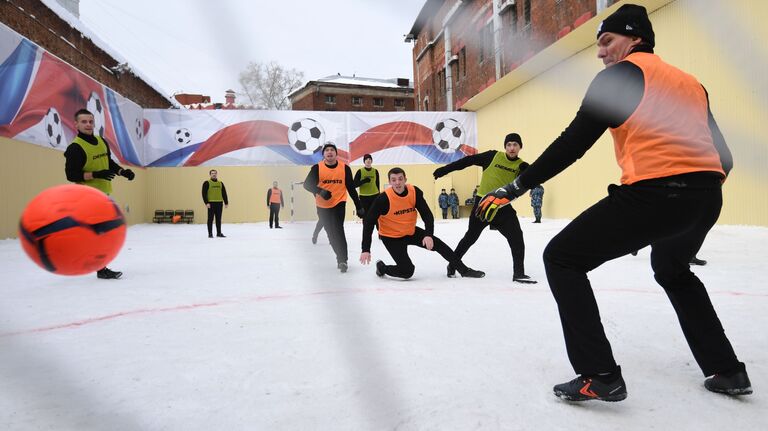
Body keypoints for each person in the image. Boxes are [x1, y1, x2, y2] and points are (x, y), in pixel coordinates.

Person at [476, 4, 750, 401]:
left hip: (654, 194)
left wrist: (515, 187)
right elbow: (724, 157)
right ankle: (728, 370)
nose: (601, 52)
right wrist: (697, 190)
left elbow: (574, 143)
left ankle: (599, 374)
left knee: (562, 258)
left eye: (607, 41)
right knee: (673, 270)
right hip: (707, 197)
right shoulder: (692, 83)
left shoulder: (622, 76)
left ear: (635, 37)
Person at [433, 133, 536, 283]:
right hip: (483, 205)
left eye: (515, 145)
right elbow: (469, 161)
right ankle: (453, 265)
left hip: (502, 207)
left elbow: (532, 178)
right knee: (470, 238)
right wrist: (445, 170)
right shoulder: (493, 156)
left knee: (517, 238)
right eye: (509, 145)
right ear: (505, 146)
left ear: (520, 147)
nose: (512, 148)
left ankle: (519, 273)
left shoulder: (521, 166)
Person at [360, 167, 484, 279]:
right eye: (393, 180)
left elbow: (427, 215)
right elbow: (369, 223)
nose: (397, 182)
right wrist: (366, 249)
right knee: (407, 271)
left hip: (410, 231)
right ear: (390, 182)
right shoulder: (383, 199)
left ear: (405, 179)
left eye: (400, 179)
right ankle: (382, 268)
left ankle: (464, 270)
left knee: (439, 244)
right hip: (391, 237)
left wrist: (428, 234)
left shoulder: (414, 192)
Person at [64, 108, 135, 279]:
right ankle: (100, 267)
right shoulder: (75, 148)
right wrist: (96, 174)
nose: (88, 125)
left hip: (104, 194)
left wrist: (122, 172)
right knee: (102, 232)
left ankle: (95, 262)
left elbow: (108, 162)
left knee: (104, 232)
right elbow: (71, 175)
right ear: (76, 124)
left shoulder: (101, 141)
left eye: (90, 121)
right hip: (87, 197)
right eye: (84, 122)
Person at [303, 142, 363, 272]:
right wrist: (321, 191)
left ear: (336, 153)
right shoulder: (317, 168)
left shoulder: (344, 168)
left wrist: (359, 207)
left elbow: (351, 189)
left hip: (339, 203)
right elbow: (307, 184)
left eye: (332, 150)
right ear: (324, 154)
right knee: (330, 233)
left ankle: (343, 260)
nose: (329, 152)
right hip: (322, 206)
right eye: (327, 150)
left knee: (338, 230)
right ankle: (339, 256)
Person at [202, 169, 228, 238]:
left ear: (217, 174)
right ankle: (210, 233)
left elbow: (224, 193)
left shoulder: (220, 183)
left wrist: (226, 202)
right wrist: (206, 202)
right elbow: (204, 194)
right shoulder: (207, 183)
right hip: (211, 203)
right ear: (210, 174)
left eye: (215, 173)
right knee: (210, 219)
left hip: (219, 203)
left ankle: (219, 233)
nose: (214, 174)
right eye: (212, 173)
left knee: (218, 219)